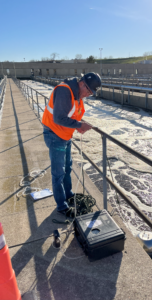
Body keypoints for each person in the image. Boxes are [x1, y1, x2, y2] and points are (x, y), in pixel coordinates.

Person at [42, 73, 101, 218]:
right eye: (88, 91)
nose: (88, 95)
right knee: (58, 173)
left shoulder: (76, 95)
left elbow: (71, 115)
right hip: (55, 135)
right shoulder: (64, 91)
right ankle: (62, 206)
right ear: (82, 84)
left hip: (64, 135)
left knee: (68, 167)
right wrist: (79, 125)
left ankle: (68, 195)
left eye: (91, 94)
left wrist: (77, 126)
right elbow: (59, 118)